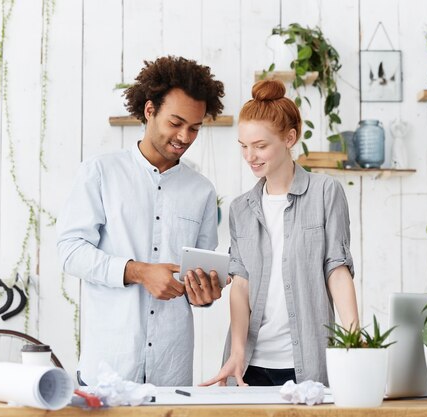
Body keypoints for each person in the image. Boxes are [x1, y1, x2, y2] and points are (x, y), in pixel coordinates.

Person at [57, 56, 226, 387]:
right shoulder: (100, 173)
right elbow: (69, 251)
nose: (184, 136)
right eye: (175, 123)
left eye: (194, 127)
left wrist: (204, 293)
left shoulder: (202, 191)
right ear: (150, 111)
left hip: (171, 372)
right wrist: (139, 271)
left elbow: (199, 277)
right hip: (108, 368)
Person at [202, 80, 359, 387]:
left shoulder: (326, 193)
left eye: (260, 146)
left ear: (290, 137)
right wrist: (236, 352)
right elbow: (241, 285)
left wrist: (357, 344)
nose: (250, 156)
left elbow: (337, 270)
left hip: (307, 363)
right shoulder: (240, 209)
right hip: (249, 365)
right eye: (244, 146)